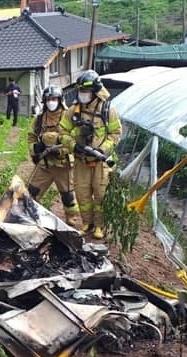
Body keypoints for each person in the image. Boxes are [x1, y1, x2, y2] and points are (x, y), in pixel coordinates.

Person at [59, 70, 122, 239]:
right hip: (81, 160)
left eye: (86, 91)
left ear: (94, 91)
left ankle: (99, 225)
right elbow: (62, 131)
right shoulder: (74, 110)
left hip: (100, 162)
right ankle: (87, 223)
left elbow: (115, 134)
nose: (82, 95)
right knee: (82, 193)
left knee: (100, 194)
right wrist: (73, 145)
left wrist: (102, 150)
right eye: (80, 91)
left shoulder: (108, 110)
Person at [26, 85, 79, 226]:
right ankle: (27, 215)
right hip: (45, 165)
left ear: (60, 100)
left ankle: (71, 218)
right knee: (31, 192)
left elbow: (75, 140)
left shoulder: (68, 117)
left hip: (63, 166)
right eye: (49, 99)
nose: (51, 102)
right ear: (44, 101)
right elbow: (31, 137)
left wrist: (61, 151)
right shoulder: (39, 119)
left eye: (54, 99)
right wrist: (35, 149)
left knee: (68, 196)